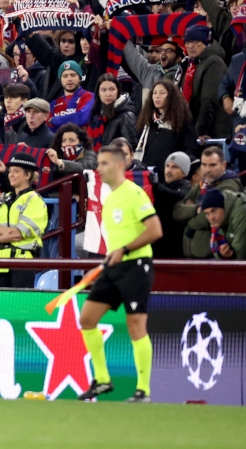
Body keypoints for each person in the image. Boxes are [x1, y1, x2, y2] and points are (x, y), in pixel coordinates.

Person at [77, 145, 163, 403]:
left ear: (119, 166)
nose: (99, 169)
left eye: (103, 164)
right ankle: (103, 380)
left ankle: (143, 391)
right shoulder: (110, 197)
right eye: (98, 164)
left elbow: (155, 230)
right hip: (115, 266)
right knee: (87, 318)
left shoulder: (134, 194)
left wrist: (124, 249)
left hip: (136, 265)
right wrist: (110, 256)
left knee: (135, 325)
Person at [0, 152, 48, 288]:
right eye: (10, 171)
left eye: (16, 171)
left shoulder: (35, 200)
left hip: (23, 262)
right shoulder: (3, 199)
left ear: (28, 175)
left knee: (20, 306)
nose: (11, 174)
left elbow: (19, 233)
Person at [200, 190, 245, 260]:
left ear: (223, 206)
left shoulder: (241, 213)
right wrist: (221, 254)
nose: (211, 217)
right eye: (207, 214)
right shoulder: (219, 219)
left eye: (214, 211)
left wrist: (230, 255)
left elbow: (241, 256)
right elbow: (215, 248)